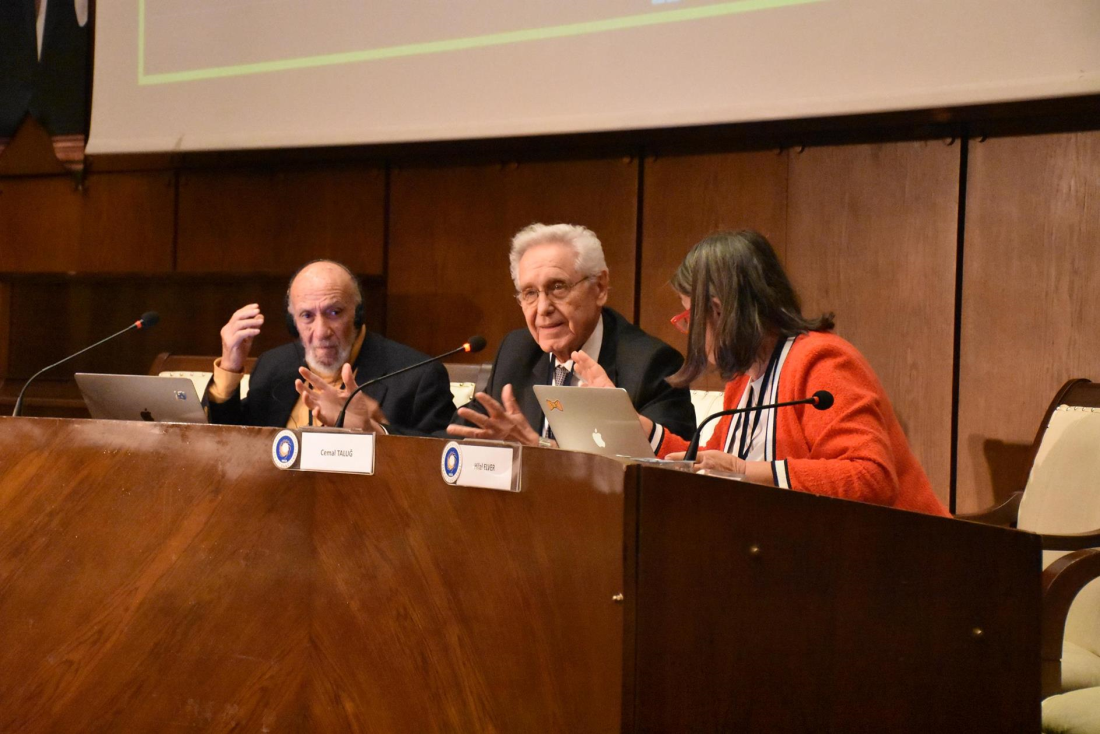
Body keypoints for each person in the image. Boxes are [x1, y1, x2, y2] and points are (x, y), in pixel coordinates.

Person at [657, 229, 948, 516]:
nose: (688, 331)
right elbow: (708, 462)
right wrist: (647, 433)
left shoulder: (822, 362)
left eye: (688, 317)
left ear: (719, 311)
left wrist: (745, 470)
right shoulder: (743, 379)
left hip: (904, 542)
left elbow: (870, 476)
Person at [444, 223, 697, 448]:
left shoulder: (651, 365)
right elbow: (468, 430)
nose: (542, 308)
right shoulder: (516, 350)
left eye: (557, 287)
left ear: (599, 287)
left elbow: (667, 471)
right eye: (530, 293)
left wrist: (538, 448)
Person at [206, 259, 455, 434]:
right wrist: (230, 367)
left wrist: (377, 431)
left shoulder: (417, 376)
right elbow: (231, 443)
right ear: (293, 322)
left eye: (334, 312)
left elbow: (441, 453)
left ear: (358, 313)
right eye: (307, 316)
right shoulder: (273, 366)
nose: (321, 331)